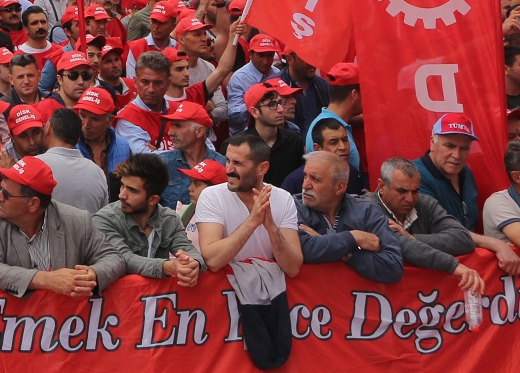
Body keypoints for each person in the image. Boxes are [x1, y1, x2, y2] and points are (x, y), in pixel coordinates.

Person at [192, 133, 303, 371]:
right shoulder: (212, 196)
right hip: (220, 314)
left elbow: (293, 267)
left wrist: (271, 227)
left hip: (266, 308)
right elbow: (212, 259)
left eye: (238, 164)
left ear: (262, 167)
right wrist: (252, 222)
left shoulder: (282, 199)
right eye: (228, 161)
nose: (229, 169)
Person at [0, 154, 126, 297]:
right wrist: (46, 280)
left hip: (66, 322)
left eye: (6, 194)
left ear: (33, 204)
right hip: (15, 323)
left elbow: (114, 259)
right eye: (0, 188)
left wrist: (90, 274)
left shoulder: (76, 220)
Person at [416, 113, 520, 273]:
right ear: (432, 143)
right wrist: (494, 244)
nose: (457, 155)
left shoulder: (465, 172)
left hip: (469, 267)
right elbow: (441, 232)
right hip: (436, 272)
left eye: (464, 148)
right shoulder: (416, 176)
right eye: (450, 146)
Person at [373, 156, 483, 292]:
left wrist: (414, 238)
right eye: (402, 191)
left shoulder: (425, 203)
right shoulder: (367, 208)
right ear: (382, 187)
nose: (410, 198)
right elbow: (398, 243)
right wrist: (453, 266)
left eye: (415, 191)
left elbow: (463, 239)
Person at [93, 154, 203, 284]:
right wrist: (167, 267)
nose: (122, 195)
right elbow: (123, 259)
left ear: (153, 199)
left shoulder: (169, 219)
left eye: (132, 191)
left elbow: (187, 249)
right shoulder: (104, 219)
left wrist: (193, 265)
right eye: (122, 186)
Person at [294, 151, 403, 282]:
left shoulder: (366, 211)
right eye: (305, 176)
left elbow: (393, 267)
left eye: (315, 179)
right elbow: (304, 250)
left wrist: (347, 254)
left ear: (339, 187)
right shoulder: (292, 207)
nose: (305, 185)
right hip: (310, 301)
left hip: (356, 300)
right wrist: (354, 237)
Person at [36, 108, 108, 213]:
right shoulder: (97, 172)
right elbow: (103, 217)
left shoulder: (34, 165)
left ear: (48, 128)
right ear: (78, 139)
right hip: (88, 229)